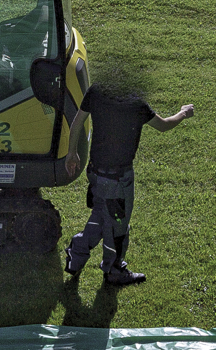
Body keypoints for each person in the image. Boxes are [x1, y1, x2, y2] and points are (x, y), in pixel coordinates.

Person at [65, 82, 195, 286]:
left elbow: (78, 121)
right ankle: (114, 270)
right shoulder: (135, 103)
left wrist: (72, 153)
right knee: (118, 228)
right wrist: (183, 113)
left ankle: (77, 251)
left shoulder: (97, 91)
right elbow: (163, 125)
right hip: (117, 179)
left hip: (95, 172)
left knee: (101, 214)